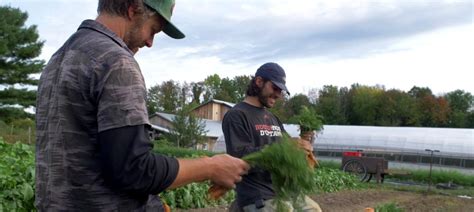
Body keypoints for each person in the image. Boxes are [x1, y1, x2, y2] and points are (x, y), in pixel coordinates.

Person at [35, 0, 249, 211]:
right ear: (133, 9)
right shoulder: (116, 61)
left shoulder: (58, 59)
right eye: (153, 30)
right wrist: (210, 167)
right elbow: (133, 170)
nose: (150, 42)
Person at [223, 62, 321, 211]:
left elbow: (289, 149)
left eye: (281, 91)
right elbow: (240, 158)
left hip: (282, 191)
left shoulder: (273, 118)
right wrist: (282, 149)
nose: (278, 94)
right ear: (259, 82)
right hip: (257, 195)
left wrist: (304, 146)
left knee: (313, 209)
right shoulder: (237, 115)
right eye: (275, 88)